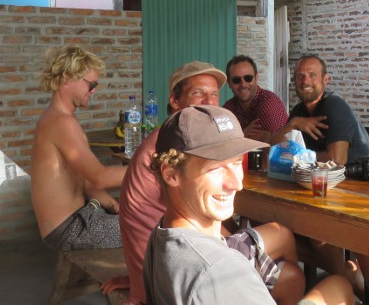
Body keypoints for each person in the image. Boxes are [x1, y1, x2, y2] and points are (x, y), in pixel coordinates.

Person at [120, 61, 304, 305]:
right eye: (198, 93)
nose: (208, 101)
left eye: (214, 94)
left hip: (163, 255)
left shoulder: (167, 139)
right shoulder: (174, 147)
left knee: (283, 245)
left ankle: (262, 287)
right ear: (174, 101)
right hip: (175, 266)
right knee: (313, 278)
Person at [144, 104, 354, 305]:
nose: (236, 183)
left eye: (237, 163)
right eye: (216, 168)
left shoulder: (162, 235)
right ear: (171, 173)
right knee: (339, 287)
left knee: (291, 269)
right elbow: (218, 273)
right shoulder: (220, 272)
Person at [31, 45, 126, 251]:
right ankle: (136, 281)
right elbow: (100, 177)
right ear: (67, 78)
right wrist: (152, 168)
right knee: (157, 227)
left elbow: (84, 182)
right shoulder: (61, 123)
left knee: (145, 216)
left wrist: (112, 204)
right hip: (70, 228)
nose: (94, 90)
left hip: (79, 218)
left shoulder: (60, 119)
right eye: (91, 84)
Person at [273, 54, 369, 166]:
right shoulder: (299, 111)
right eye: (300, 76)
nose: (305, 81)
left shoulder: (334, 105)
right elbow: (273, 150)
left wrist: (296, 157)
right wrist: (293, 123)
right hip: (316, 177)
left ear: (325, 79)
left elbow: (336, 160)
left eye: (312, 75)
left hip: (355, 178)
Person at [223, 54, 288, 144]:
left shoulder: (269, 103)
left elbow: (280, 143)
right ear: (229, 83)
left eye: (248, 78)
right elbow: (221, 144)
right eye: (236, 80)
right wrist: (242, 135)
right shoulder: (228, 109)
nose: (243, 84)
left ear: (256, 78)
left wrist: (236, 138)